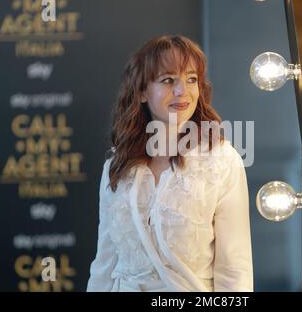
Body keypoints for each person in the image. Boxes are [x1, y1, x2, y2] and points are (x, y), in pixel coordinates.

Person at [86, 35, 253, 292]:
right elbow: (104, 264)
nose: (181, 91)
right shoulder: (117, 166)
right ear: (142, 91)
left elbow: (235, 270)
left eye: (191, 79)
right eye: (168, 80)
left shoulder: (222, 161)